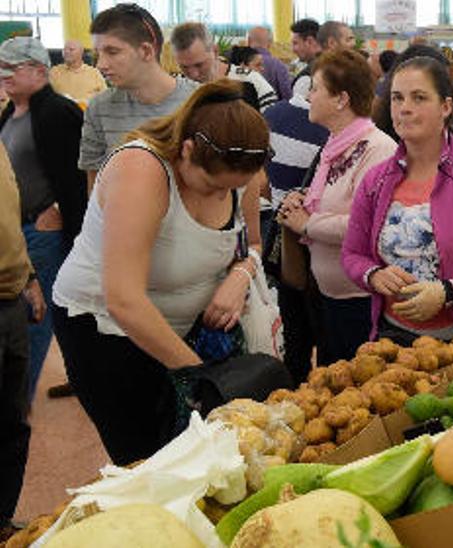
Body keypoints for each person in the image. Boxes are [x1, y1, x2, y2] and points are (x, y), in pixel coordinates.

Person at [52, 80, 270, 465]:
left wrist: (240, 277)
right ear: (187, 151)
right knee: (149, 458)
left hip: (184, 327)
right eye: (211, 186)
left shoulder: (242, 171)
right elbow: (124, 299)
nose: (222, 197)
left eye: (231, 190)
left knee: (199, 451)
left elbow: (252, 244)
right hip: (107, 330)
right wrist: (201, 378)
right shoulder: (141, 169)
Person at [342, 57, 453, 343]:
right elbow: (352, 254)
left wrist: (449, 291)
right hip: (395, 336)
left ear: (446, 107)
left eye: (419, 98)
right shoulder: (375, 181)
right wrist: (373, 274)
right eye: (397, 98)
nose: (405, 108)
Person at [275, 50, 397, 366]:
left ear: (341, 99)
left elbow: (368, 224)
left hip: (360, 300)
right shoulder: (336, 145)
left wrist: (307, 224)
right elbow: (331, 198)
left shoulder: (378, 150)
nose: (308, 95)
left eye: (315, 88)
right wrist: (300, 199)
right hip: (327, 294)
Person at [0, 37, 88, 401]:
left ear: (38, 70)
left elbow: (78, 175)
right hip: (18, 229)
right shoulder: (11, 112)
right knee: (50, 313)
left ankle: (17, 400)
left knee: (35, 316)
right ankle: (78, 379)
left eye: (11, 67)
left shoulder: (57, 112)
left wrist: (63, 217)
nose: (3, 73)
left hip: (42, 232)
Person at [81, 3, 198, 191]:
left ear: (146, 51)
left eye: (112, 52)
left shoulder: (200, 101)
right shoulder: (99, 108)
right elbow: (96, 182)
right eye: (97, 54)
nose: (100, 65)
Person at [261, 77, 329, 386]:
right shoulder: (332, 139)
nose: (308, 98)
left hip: (307, 254)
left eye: (317, 91)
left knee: (298, 343)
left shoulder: (275, 115)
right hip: (304, 253)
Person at [0, 143, 40, 538]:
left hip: (11, 300)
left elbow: (9, 219)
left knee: (13, 422)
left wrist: (30, 277)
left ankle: (1, 520)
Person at [172, 22, 278, 111]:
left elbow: (273, 128)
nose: (193, 74)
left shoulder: (252, 81)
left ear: (215, 51)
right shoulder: (175, 87)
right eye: (184, 67)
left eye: (199, 65)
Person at [48, 39, 105, 105]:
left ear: (81, 52)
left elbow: (105, 97)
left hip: (87, 111)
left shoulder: (94, 73)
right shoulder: (54, 71)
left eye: (71, 50)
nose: (66, 52)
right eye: (64, 49)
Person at [246, 26, 293, 101]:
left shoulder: (236, 63)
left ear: (248, 41)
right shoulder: (279, 65)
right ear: (270, 43)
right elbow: (287, 97)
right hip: (272, 110)